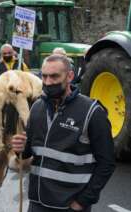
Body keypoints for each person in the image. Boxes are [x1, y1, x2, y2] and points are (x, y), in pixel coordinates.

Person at [11, 54, 115, 212]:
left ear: (70, 76)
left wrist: (83, 202)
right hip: (37, 203)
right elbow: (28, 152)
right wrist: (20, 148)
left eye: (54, 76)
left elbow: (106, 163)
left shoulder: (92, 112)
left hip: (70, 207)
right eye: (44, 76)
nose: (47, 82)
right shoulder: (37, 108)